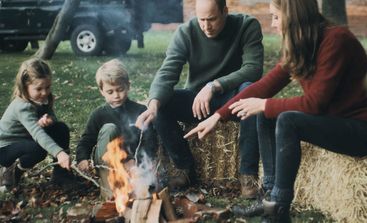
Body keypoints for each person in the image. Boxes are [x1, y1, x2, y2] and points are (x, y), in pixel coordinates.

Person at [184, 0, 367, 221]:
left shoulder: (336, 40)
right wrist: (219, 116)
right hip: (340, 120)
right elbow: (265, 86)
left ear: (293, 16)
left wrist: (265, 104)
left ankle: (279, 209)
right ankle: (268, 197)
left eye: (275, 16)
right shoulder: (303, 43)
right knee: (267, 114)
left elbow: (315, 104)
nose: (272, 24)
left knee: (286, 120)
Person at [136, 0, 264, 198]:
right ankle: (183, 168)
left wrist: (214, 85)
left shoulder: (247, 25)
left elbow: (253, 69)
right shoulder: (185, 32)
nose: (206, 26)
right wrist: (153, 105)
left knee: (250, 92)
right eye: (201, 19)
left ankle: (248, 174)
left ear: (225, 11)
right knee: (163, 103)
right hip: (198, 102)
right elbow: (167, 72)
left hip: (233, 96)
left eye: (212, 19)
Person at [76, 59, 157, 199]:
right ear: (102, 91)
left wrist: (136, 161)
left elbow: (149, 140)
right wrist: (82, 158)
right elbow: (86, 140)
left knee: (144, 192)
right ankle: (109, 189)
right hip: (107, 163)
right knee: (109, 128)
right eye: (110, 91)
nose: (116, 95)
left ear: (128, 86)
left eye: (120, 89)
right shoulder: (99, 114)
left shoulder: (139, 111)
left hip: (133, 163)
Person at [0, 58, 74, 190]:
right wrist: (59, 153)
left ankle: (61, 175)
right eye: (39, 88)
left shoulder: (43, 99)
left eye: (47, 87)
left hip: (25, 140)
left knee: (60, 128)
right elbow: (38, 134)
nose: (44, 92)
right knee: (38, 149)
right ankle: (12, 172)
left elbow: (50, 123)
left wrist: (50, 120)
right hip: (5, 148)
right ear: (24, 87)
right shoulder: (22, 106)